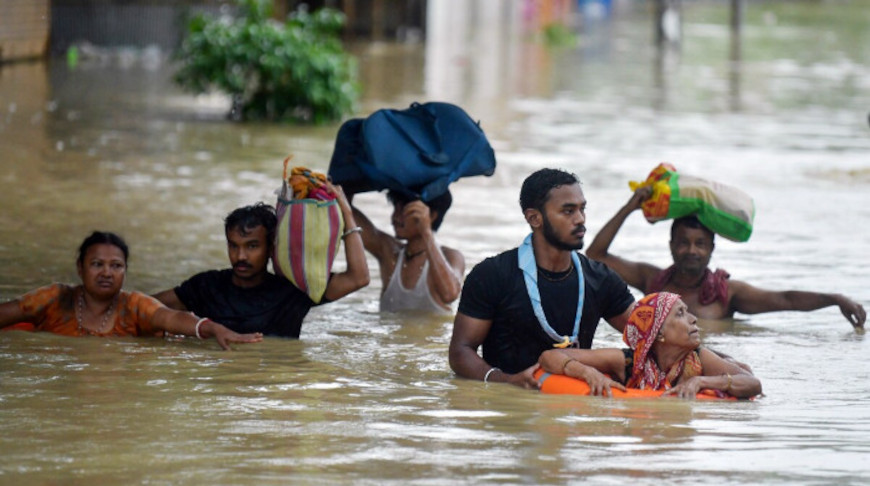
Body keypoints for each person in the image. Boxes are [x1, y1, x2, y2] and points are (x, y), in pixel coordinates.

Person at [448, 168, 636, 388]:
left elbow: (651, 336)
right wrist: (506, 381)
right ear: (534, 218)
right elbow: (460, 352)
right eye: (568, 211)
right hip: (509, 402)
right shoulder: (492, 275)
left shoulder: (601, 279)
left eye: (582, 209)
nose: (580, 219)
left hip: (575, 401)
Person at [586, 187, 866, 328]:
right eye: (684, 243)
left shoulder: (727, 293)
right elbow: (596, 255)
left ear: (712, 249)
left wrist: (835, 299)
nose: (692, 250)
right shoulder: (652, 280)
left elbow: (785, 299)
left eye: (700, 244)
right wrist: (629, 208)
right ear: (671, 245)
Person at [153, 182, 369, 338]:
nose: (240, 256)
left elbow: (358, 278)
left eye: (252, 246)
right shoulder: (207, 286)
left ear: (271, 247)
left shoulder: (293, 290)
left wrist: (347, 215)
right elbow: (144, 306)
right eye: (233, 245)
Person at [0, 231, 262, 350]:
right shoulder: (55, 299)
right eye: (97, 264)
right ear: (80, 268)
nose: (106, 273)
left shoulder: (134, 305)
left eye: (116, 266)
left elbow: (171, 317)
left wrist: (213, 328)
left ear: (125, 271)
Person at [539, 292, 762, 399]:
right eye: (681, 314)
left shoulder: (699, 358)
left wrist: (700, 381)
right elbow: (549, 357)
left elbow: (753, 384)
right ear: (659, 333)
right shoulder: (629, 362)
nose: (693, 319)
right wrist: (588, 373)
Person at [350, 189, 464, 313]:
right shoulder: (390, 252)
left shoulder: (451, 256)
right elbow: (348, 215)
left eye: (405, 210)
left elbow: (450, 294)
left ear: (431, 216)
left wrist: (426, 231)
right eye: (395, 208)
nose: (395, 217)